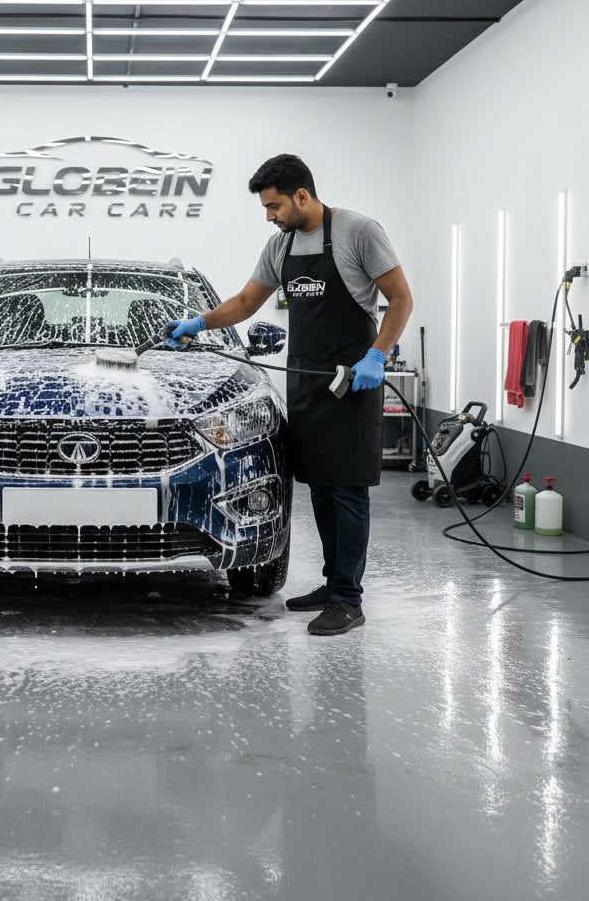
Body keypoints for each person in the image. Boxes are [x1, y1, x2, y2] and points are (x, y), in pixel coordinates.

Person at [166, 154, 413, 635]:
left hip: (353, 381)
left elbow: (401, 298)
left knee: (347, 491)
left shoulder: (358, 232)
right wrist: (198, 323)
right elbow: (244, 302)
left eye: (274, 205)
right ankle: (332, 582)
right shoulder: (279, 247)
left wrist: (377, 356)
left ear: (302, 195)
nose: (269, 216)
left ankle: (349, 598)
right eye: (265, 207)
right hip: (306, 387)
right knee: (320, 488)